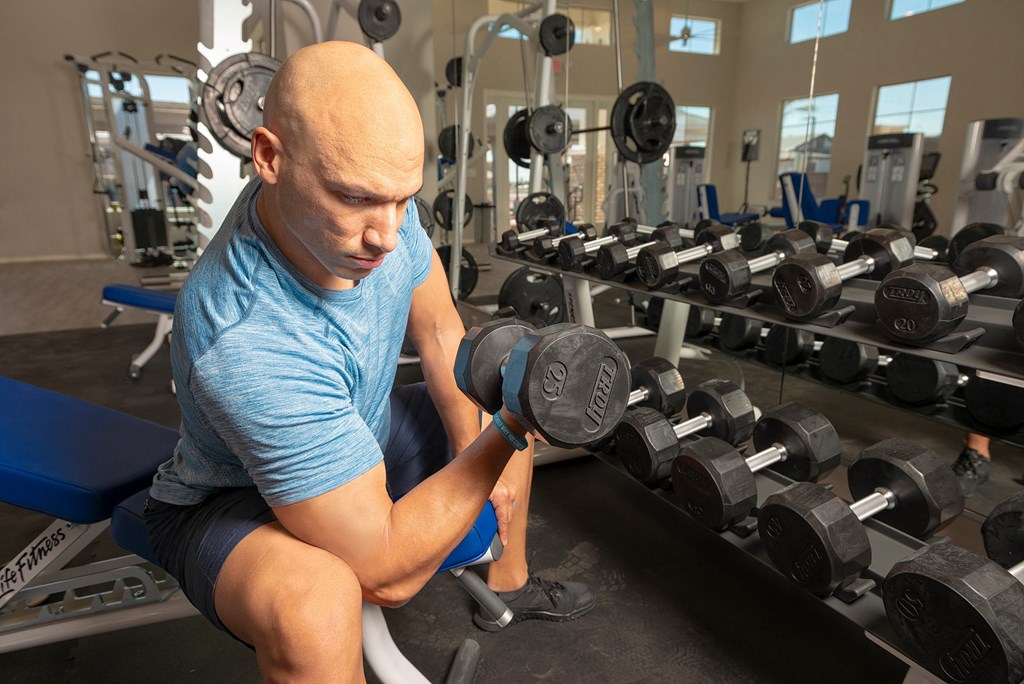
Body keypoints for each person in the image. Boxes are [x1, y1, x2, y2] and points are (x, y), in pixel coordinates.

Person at [144, 41, 593, 682]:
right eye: (354, 199)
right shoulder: (245, 338)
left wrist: (490, 438)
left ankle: (510, 585)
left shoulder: (383, 210)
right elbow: (386, 576)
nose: (386, 234)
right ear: (268, 156)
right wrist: (508, 432)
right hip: (233, 501)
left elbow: (439, 329)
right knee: (317, 607)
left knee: (501, 392)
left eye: (402, 199)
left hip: (365, 434)